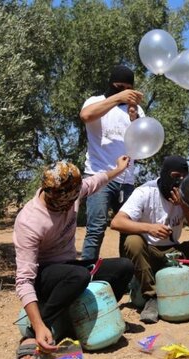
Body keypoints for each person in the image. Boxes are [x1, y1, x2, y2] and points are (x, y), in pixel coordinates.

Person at [13, 156, 134, 359]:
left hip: (70, 268)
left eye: (73, 200)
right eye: (66, 203)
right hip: (45, 276)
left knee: (124, 267)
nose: (71, 205)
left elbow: (96, 181)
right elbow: (24, 280)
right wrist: (39, 325)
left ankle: (88, 317)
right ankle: (35, 332)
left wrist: (118, 169)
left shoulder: (74, 191)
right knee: (79, 275)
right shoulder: (29, 221)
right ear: (52, 195)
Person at [110, 155, 189, 324]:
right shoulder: (145, 192)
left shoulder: (186, 193)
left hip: (174, 253)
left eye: (183, 177)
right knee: (132, 240)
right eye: (175, 176)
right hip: (148, 253)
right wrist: (149, 228)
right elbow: (116, 222)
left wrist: (183, 205)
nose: (179, 181)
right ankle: (151, 298)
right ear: (164, 173)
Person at [80, 65, 145, 261]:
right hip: (99, 175)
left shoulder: (137, 109)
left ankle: (125, 277)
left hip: (126, 179)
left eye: (128, 88)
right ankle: (86, 275)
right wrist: (118, 98)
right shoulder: (96, 101)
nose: (124, 91)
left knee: (128, 231)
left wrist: (134, 118)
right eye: (119, 87)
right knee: (96, 228)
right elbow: (86, 116)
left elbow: (142, 143)